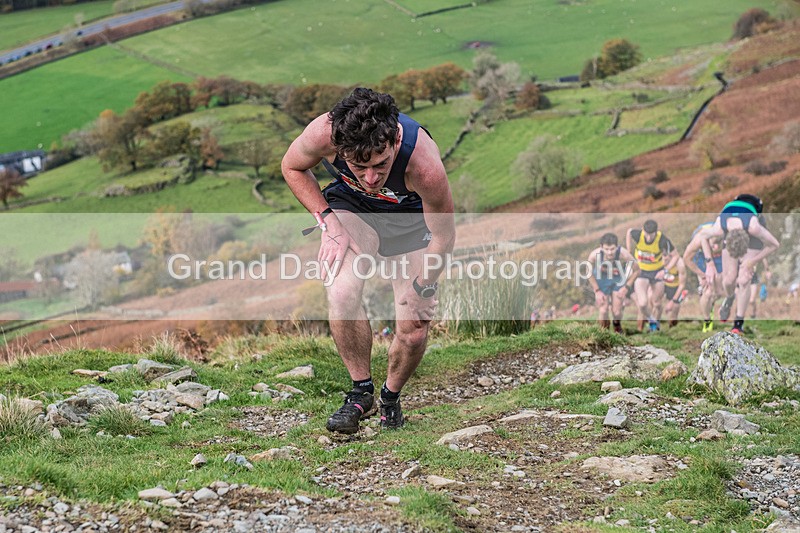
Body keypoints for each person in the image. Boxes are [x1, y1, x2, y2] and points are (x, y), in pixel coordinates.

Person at [281, 88, 455, 433]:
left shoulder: (424, 166)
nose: (372, 178)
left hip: (411, 220)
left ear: (393, 142)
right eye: (359, 167)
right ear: (339, 147)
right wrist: (328, 221)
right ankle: (360, 393)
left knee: (414, 328)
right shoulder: (322, 133)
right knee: (342, 293)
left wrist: (425, 286)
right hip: (353, 209)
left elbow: (444, 235)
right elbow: (292, 166)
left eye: (381, 165)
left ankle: (391, 397)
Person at [685, 194, 780, 334]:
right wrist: (709, 264)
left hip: (752, 229)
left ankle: (738, 323)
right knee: (729, 280)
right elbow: (703, 237)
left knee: (744, 279)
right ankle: (730, 298)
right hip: (733, 218)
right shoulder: (719, 227)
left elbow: (774, 245)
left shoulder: (755, 228)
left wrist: (752, 261)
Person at [626, 219, 678, 332]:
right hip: (641, 272)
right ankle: (651, 320)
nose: (649, 238)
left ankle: (655, 327)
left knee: (657, 303)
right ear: (643, 230)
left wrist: (665, 270)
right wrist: (629, 251)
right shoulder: (637, 234)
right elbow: (629, 232)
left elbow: (675, 256)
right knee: (643, 303)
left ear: (656, 232)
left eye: (652, 235)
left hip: (657, 272)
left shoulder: (662, 239)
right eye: (647, 234)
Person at [586, 232, 639, 333]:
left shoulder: (624, 254)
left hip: (617, 279)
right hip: (601, 279)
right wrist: (597, 291)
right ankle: (603, 333)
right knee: (603, 310)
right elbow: (588, 272)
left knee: (617, 311)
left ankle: (617, 325)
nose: (610, 252)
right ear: (601, 247)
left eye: (612, 249)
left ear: (617, 247)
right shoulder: (594, 255)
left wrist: (626, 287)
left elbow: (637, 270)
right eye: (606, 249)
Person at [684, 221, 725, 332]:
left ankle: (711, 301)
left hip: (720, 256)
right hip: (701, 256)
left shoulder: (727, 236)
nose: (716, 247)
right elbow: (687, 259)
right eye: (714, 243)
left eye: (718, 243)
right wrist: (702, 275)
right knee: (708, 290)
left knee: (719, 291)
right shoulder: (697, 241)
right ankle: (707, 319)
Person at [660, 256, 687, 327]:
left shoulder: (680, 265)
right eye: (663, 256)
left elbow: (682, 285)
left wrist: (672, 301)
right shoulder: (658, 261)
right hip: (662, 285)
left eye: (666, 257)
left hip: (675, 287)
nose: (664, 258)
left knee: (674, 307)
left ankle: (671, 326)